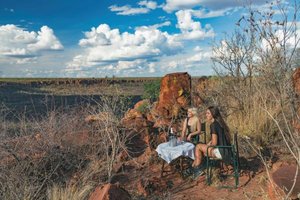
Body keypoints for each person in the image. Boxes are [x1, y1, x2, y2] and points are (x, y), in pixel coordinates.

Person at [192, 106, 232, 178]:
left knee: (198, 147)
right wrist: (208, 144)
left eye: (208, 113)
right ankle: (198, 167)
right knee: (202, 148)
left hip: (221, 152)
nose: (206, 115)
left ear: (213, 114)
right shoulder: (220, 123)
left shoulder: (213, 125)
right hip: (227, 150)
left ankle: (197, 170)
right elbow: (218, 138)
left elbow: (215, 143)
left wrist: (207, 147)